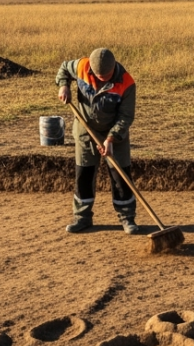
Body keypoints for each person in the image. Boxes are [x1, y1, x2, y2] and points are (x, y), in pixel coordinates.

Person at [55, 47, 139, 234]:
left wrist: (111, 139)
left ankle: (127, 218)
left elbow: (126, 117)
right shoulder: (82, 66)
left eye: (106, 76)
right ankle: (82, 217)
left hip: (115, 135)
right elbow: (64, 69)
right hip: (85, 131)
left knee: (120, 176)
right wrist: (64, 85)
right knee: (84, 174)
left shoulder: (127, 83)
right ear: (91, 68)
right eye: (98, 75)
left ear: (114, 67)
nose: (101, 79)